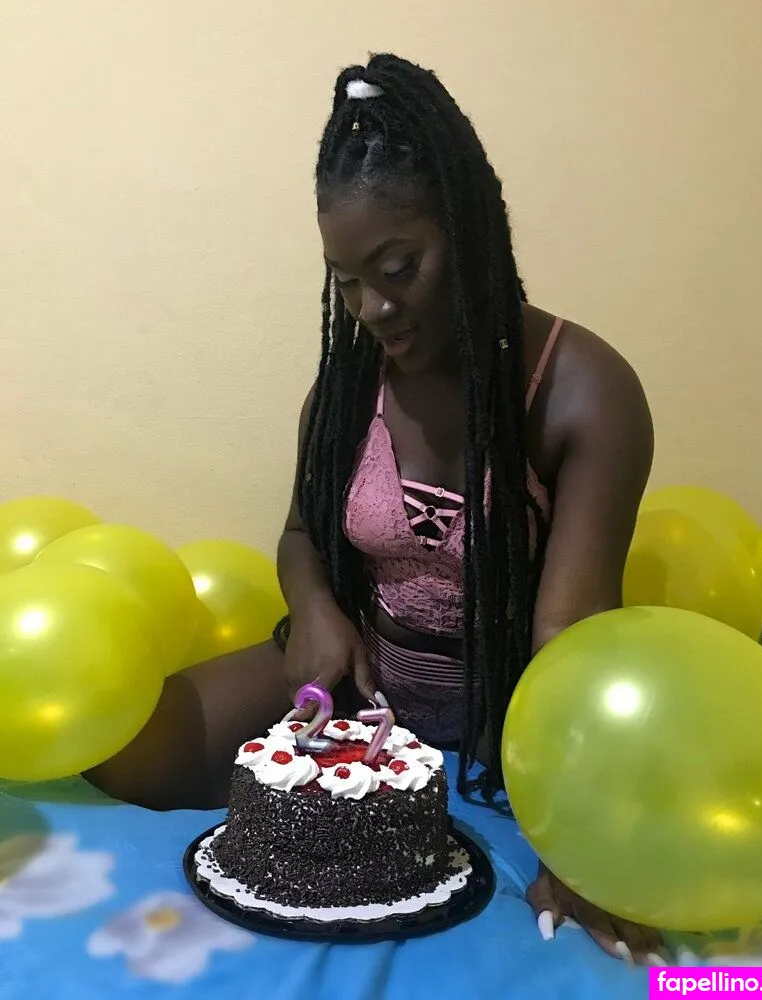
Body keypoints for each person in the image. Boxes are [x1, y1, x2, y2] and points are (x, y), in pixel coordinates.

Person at [87, 54, 661, 964]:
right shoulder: (351, 385)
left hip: (514, 714)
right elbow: (301, 533)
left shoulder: (583, 391)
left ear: (467, 227)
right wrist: (315, 611)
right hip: (364, 688)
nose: (375, 308)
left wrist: (582, 833)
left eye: (398, 267)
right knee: (127, 755)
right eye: (347, 281)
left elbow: (571, 641)